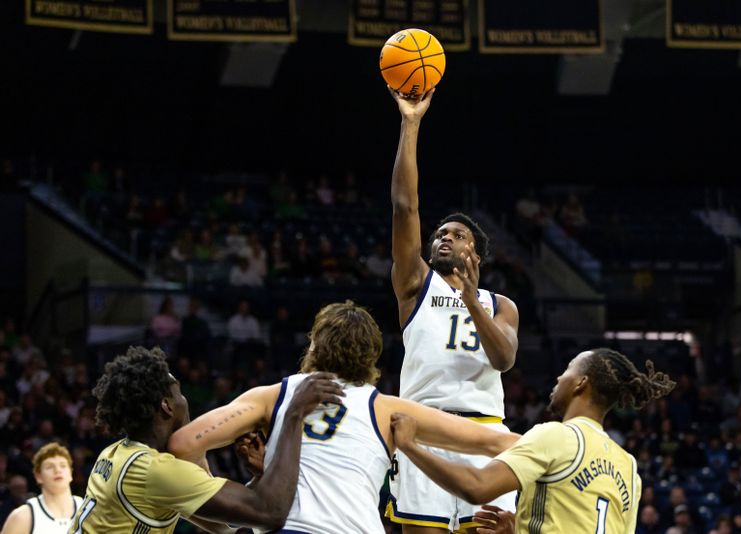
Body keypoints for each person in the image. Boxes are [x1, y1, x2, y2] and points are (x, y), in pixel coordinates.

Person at [168, 301, 520, 534]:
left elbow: (183, 445)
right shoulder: (387, 409)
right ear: (371, 360)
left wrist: (222, 511)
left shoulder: (271, 396)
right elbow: (498, 441)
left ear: (314, 346)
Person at [387, 87, 520, 532]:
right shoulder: (415, 284)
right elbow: (405, 206)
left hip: (485, 436)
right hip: (425, 428)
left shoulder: (501, 305)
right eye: (440, 233)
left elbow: (503, 358)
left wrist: (469, 299)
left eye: (458, 234)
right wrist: (411, 122)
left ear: (477, 252)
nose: (444, 237)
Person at [391, 348, 677, 534]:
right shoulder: (628, 466)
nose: (558, 376)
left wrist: (410, 447)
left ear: (581, 383)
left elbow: (476, 488)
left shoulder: (555, 435)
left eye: (567, 369)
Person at [66, 346, 343, 534]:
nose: (185, 401)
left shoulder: (115, 453)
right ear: (166, 407)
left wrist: (261, 477)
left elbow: (221, 527)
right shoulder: (155, 471)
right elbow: (270, 512)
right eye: (179, 394)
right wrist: (293, 413)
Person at [1, 443, 82, 534]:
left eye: (62, 465)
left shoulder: (88, 510)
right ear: (38, 476)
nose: (57, 470)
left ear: (70, 474)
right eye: (50, 467)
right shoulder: (23, 516)